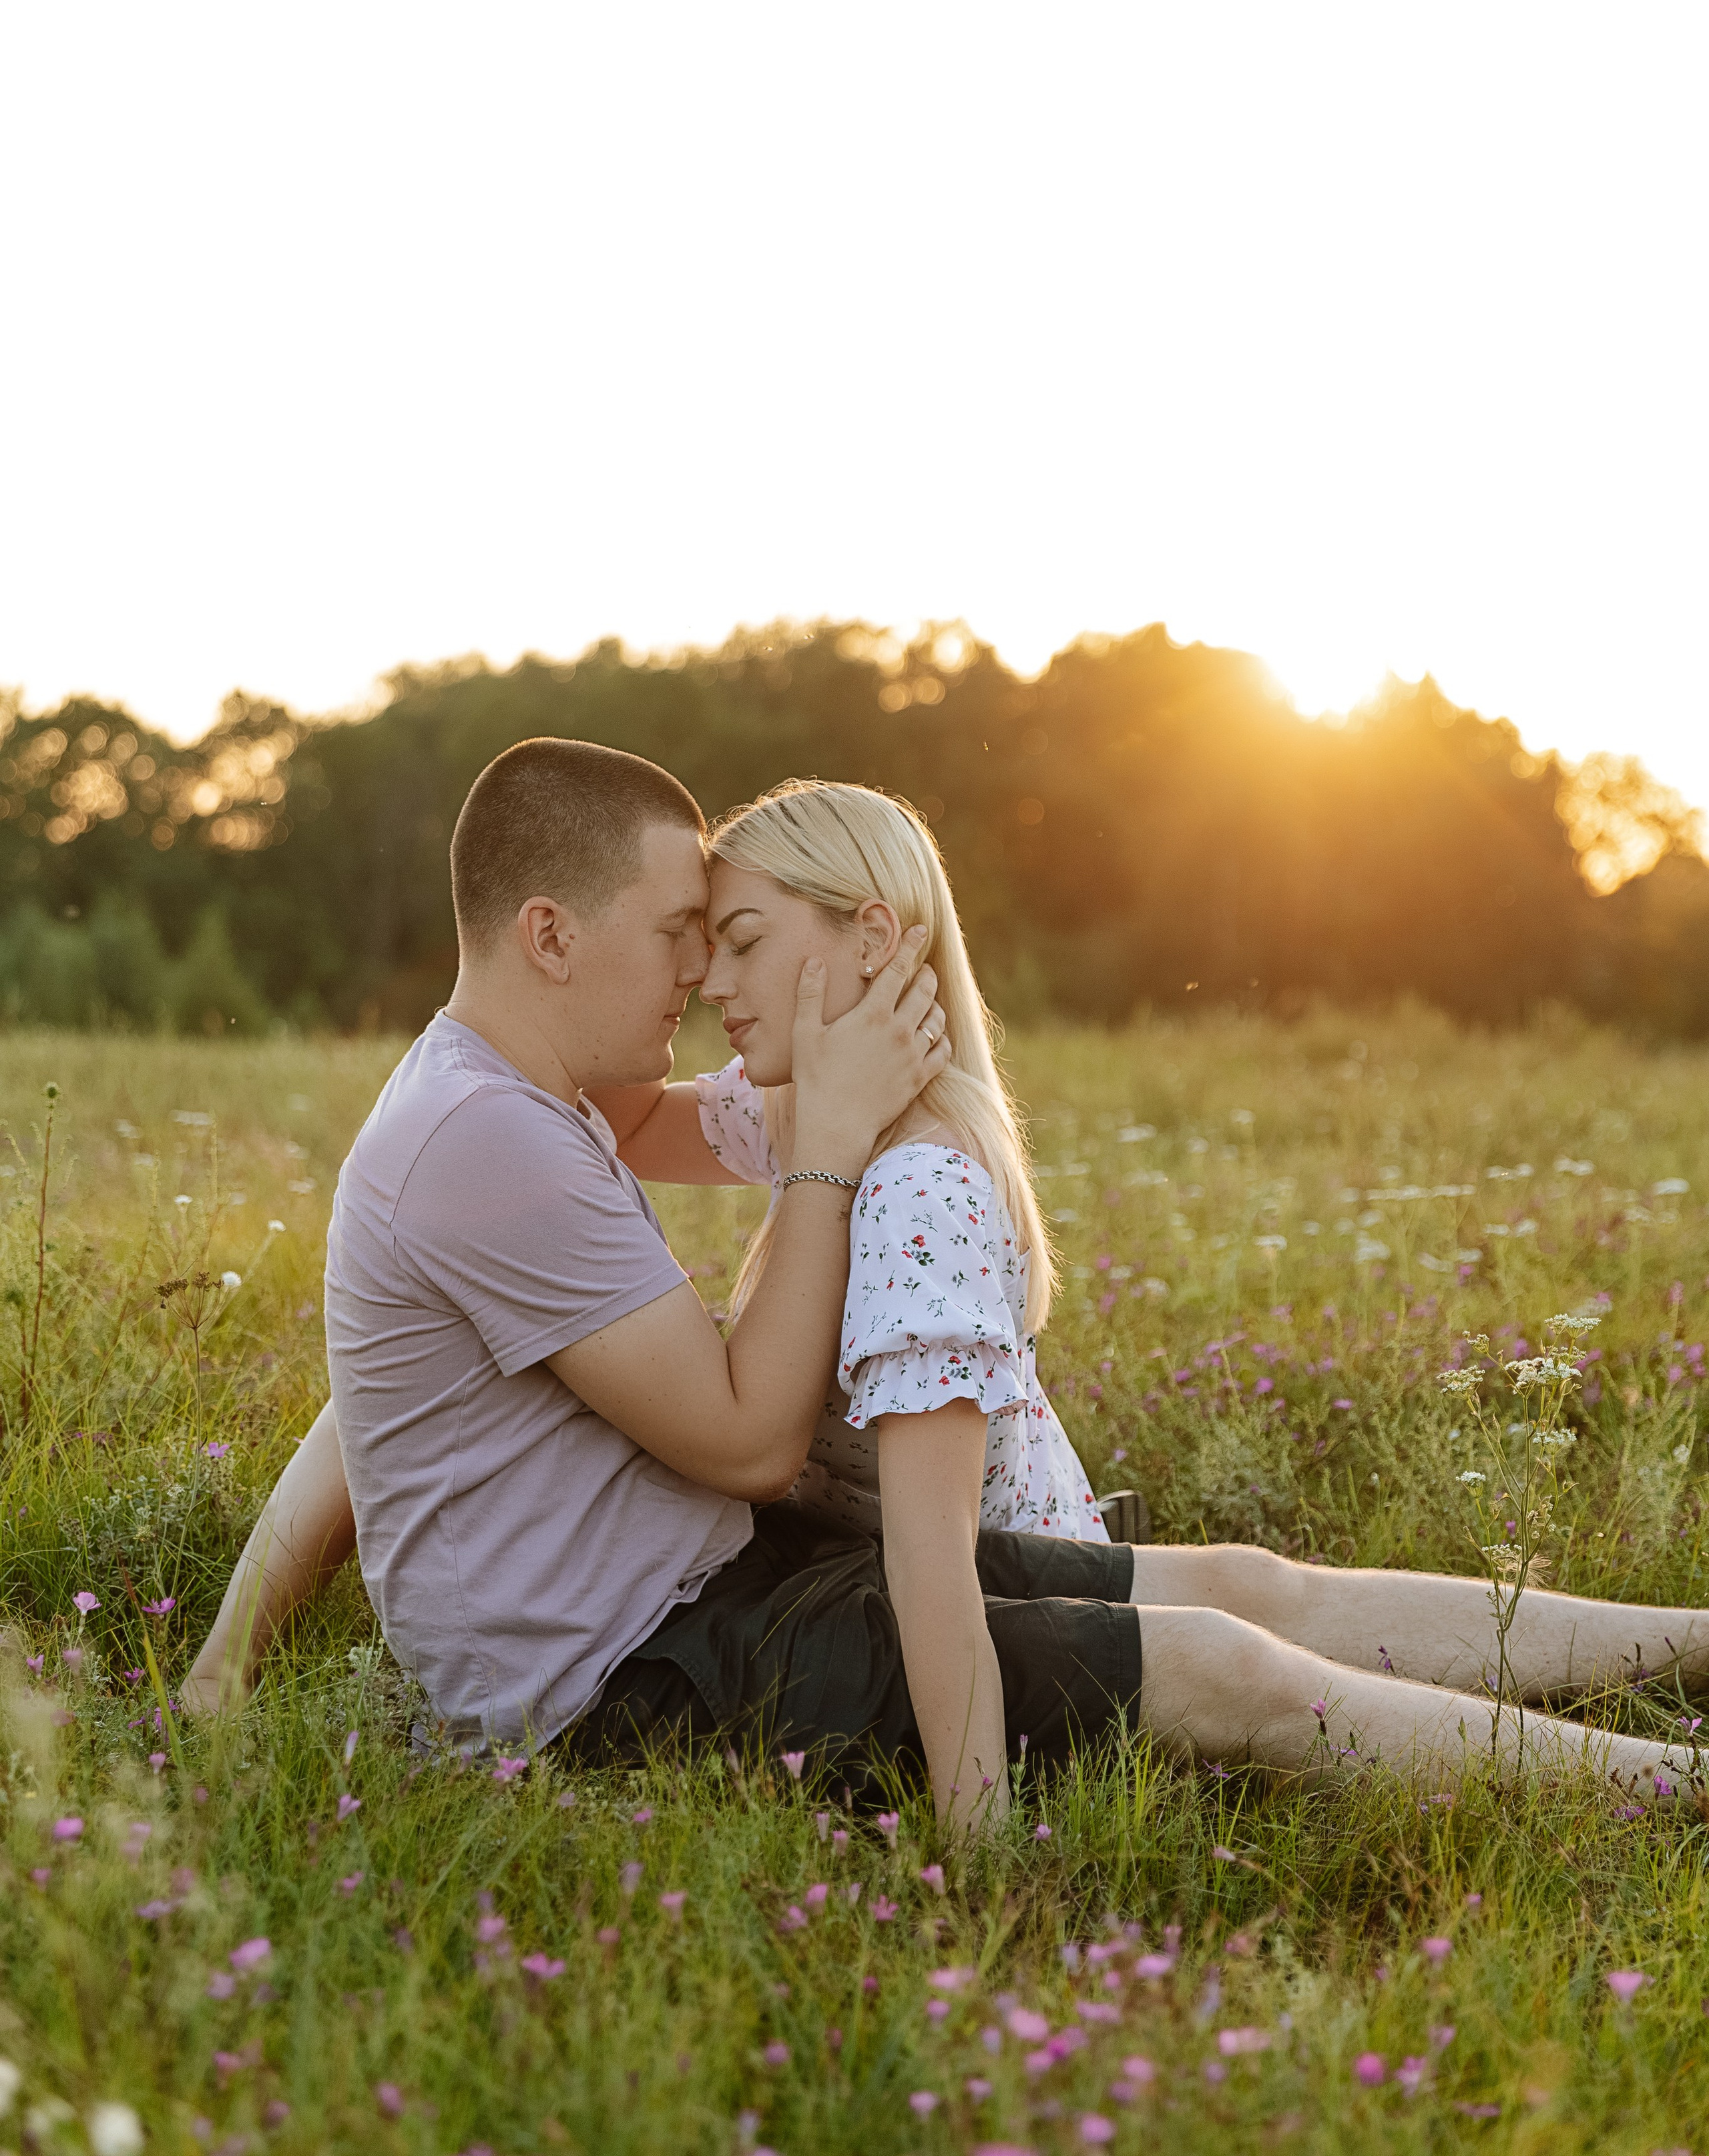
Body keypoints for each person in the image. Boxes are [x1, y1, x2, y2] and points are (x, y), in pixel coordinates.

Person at [187, 746, 1708, 1828]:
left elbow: (373, 1407)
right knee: (1216, 1661)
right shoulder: (485, 1141)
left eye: (723, 941)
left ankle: (1687, 1642)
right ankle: (1671, 1792)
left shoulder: (539, 1104)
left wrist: (219, 1668)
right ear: (547, 935)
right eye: (674, 938)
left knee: (1237, 1580)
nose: (695, 981)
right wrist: (828, 1147)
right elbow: (746, 1444)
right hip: (632, 1680)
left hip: (714, 1589)